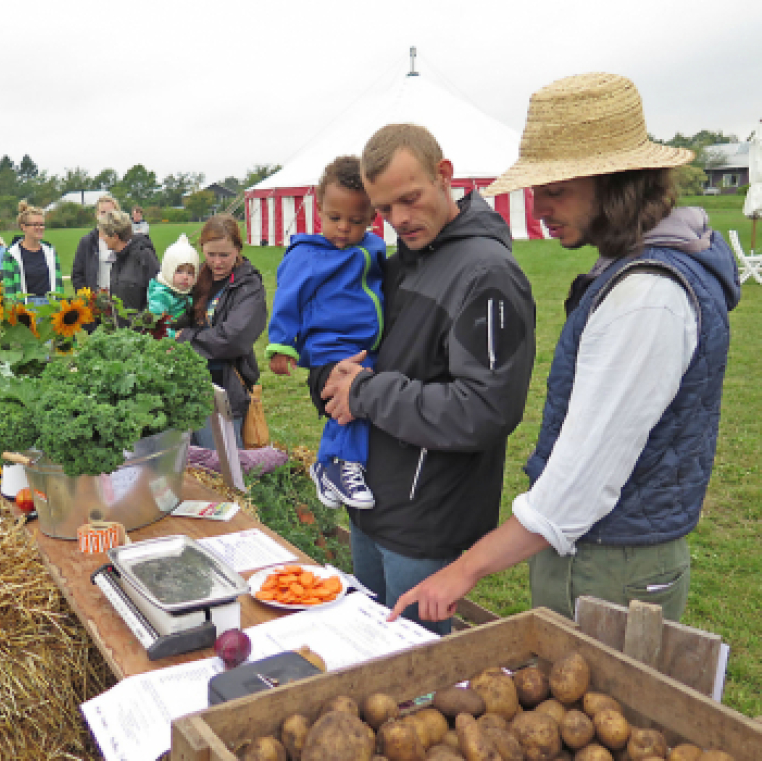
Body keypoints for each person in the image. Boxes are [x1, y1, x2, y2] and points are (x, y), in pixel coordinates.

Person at [388, 73, 740, 627]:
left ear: (616, 182)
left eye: (556, 190)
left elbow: (577, 488)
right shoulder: (636, 272)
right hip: (601, 556)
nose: (539, 207)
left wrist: (464, 570)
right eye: (537, 189)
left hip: (610, 567)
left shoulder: (647, 297)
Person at [317, 124, 536, 635]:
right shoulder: (398, 264)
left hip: (425, 519)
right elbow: (366, 356)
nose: (400, 220)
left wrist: (365, 393)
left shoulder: (487, 274)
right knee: (371, 655)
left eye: (410, 200)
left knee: (414, 678)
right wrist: (332, 377)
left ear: (444, 176)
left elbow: (485, 410)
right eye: (385, 209)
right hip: (371, 501)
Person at [266, 155, 385, 511]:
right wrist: (281, 345)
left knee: (363, 395)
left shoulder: (373, 248)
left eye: (356, 220)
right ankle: (339, 463)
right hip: (328, 342)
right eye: (335, 218)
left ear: (373, 217)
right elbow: (288, 297)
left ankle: (330, 464)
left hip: (365, 342)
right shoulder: (307, 255)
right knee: (352, 397)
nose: (344, 228)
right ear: (318, 209)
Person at [176, 214, 267, 450]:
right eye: (211, 254)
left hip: (226, 387)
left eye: (224, 255)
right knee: (192, 461)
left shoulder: (248, 285)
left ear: (238, 249)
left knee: (224, 464)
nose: (217, 262)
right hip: (190, 384)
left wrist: (185, 339)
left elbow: (234, 338)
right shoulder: (196, 279)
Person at [95, 209, 160, 312]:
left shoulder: (144, 255)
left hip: (141, 326)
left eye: (104, 235)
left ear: (115, 237)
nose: (102, 238)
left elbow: (158, 294)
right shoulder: (117, 257)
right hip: (122, 327)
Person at [2, 200, 63, 306]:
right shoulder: (11, 255)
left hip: (50, 307)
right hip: (26, 308)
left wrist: (60, 306)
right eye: (35, 225)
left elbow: (58, 285)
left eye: (42, 224)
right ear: (23, 227)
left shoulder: (51, 252)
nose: (40, 228)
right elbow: (9, 289)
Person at [147, 233, 199, 336]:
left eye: (190, 273)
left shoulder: (188, 293)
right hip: (167, 342)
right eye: (179, 271)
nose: (185, 277)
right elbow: (155, 326)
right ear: (168, 270)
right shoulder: (161, 295)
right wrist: (173, 336)